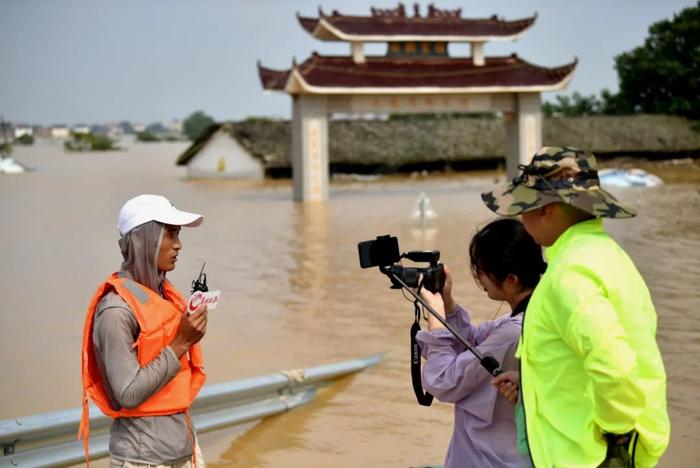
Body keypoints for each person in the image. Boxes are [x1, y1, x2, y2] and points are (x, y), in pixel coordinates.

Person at [484, 147, 670, 467]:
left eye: (524, 204)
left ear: (545, 208)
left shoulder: (570, 274)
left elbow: (615, 365)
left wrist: (615, 442)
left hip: (588, 457)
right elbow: (587, 354)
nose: (519, 215)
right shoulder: (607, 255)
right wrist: (530, 379)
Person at [79, 194, 209, 467]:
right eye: (171, 235)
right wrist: (182, 342)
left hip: (183, 451)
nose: (178, 245)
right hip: (143, 461)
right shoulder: (115, 311)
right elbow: (127, 393)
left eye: (179, 235)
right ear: (144, 240)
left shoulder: (164, 297)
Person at [416, 218, 546, 467]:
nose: (479, 279)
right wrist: (448, 304)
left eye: (481, 273)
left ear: (511, 280)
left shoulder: (512, 333)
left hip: (488, 459)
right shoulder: (535, 315)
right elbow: (474, 344)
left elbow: (444, 380)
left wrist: (435, 317)